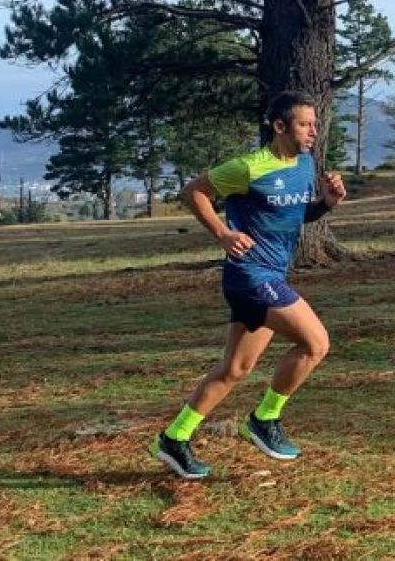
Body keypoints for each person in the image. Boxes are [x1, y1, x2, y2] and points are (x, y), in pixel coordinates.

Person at [149, 91, 347, 479]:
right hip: (250, 276)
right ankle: (264, 419)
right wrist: (223, 233)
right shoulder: (248, 167)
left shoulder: (305, 164)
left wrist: (326, 203)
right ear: (279, 126)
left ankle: (174, 437)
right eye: (305, 124)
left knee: (235, 368)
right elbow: (194, 192)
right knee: (315, 343)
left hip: (272, 274)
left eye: (314, 124)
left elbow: (293, 215)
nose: (313, 131)